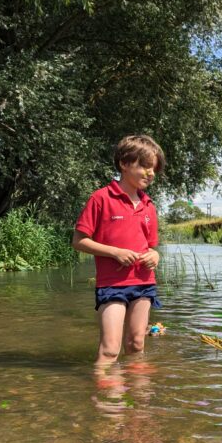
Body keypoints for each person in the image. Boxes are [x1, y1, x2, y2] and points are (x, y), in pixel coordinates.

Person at [73, 134, 165, 366]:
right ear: (124, 164)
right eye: (144, 166)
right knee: (110, 350)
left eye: (153, 168)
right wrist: (115, 252)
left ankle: (139, 397)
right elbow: (79, 241)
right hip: (112, 285)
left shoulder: (149, 205)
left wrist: (155, 255)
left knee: (136, 344)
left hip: (144, 283)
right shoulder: (101, 198)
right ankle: (107, 400)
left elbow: (153, 247)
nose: (150, 173)